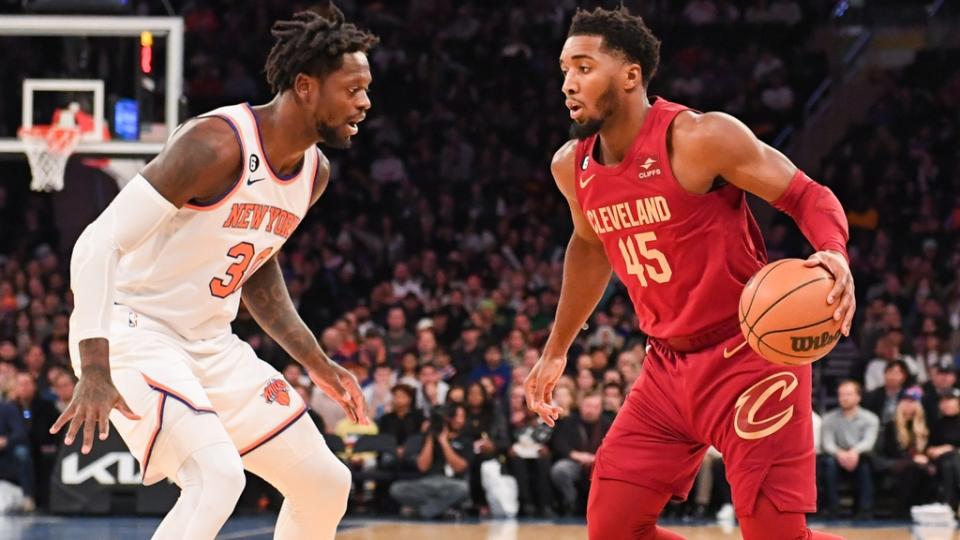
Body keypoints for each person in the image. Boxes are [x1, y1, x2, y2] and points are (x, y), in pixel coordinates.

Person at [524, 7, 853, 539]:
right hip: (666, 369)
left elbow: (807, 195)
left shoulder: (700, 138)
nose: (567, 83)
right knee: (613, 530)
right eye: (564, 69)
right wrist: (556, 349)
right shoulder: (572, 166)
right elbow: (589, 247)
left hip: (753, 358)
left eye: (584, 67)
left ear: (631, 75)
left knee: (773, 534)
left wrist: (833, 252)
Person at [54, 7, 377, 540]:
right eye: (353, 89)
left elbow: (257, 267)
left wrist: (316, 361)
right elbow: (96, 243)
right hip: (132, 330)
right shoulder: (216, 144)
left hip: (208, 342)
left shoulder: (313, 173)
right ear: (305, 86)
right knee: (217, 478)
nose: (365, 102)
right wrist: (94, 365)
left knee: (326, 483)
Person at [820, 381, 879, 519]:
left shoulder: (871, 418)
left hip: (859, 456)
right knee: (828, 463)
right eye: (841, 395)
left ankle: (865, 511)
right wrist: (840, 453)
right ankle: (832, 509)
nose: (844, 398)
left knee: (866, 463)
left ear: (858, 397)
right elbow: (827, 444)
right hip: (837, 457)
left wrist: (854, 452)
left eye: (848, 394)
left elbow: (868, 443)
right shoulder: (829, 418)